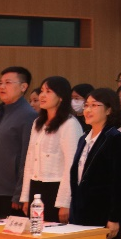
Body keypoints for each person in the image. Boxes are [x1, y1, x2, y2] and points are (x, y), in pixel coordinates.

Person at [69, 88, 121, 239]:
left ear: (109, 110)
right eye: (86, 105)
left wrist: (114, 217)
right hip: (79, 214)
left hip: (102, 214)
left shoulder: (114, 138)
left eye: (94, 105)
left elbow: (119, 182)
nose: (88, 110)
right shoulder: (83, 139)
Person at [21, 76, 83, 222]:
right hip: (36, 188)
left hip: (56, 189)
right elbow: (30, 161)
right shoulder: (38, 123)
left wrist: (65, 202)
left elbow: (72, 165)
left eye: (48, 91)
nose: (42, 95)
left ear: (61, 97)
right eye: (42, 91)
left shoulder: (69, 124)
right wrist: (26, 197)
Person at [0, 66, 37, 219]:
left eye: (8, 82)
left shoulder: (29, 116)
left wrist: (20, 194)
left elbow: (27, 157)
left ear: (23, 87)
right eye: (0, 83)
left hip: (10, 194)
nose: (2, 87)